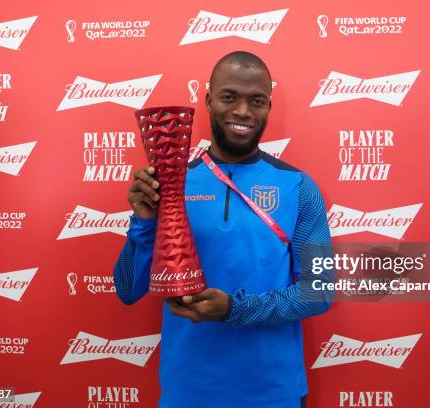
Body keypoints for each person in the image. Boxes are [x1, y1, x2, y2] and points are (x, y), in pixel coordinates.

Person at [114, 51, 333, 408]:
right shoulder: (171, 183)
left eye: (256, 101)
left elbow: (320, 290)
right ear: (209, 100)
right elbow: (127, 288)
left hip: (273, 394)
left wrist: (234, 309)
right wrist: (143, 222)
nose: (243, 112)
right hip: (188, 393)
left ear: (268, 107)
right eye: (230, 97)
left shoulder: (299, 187)